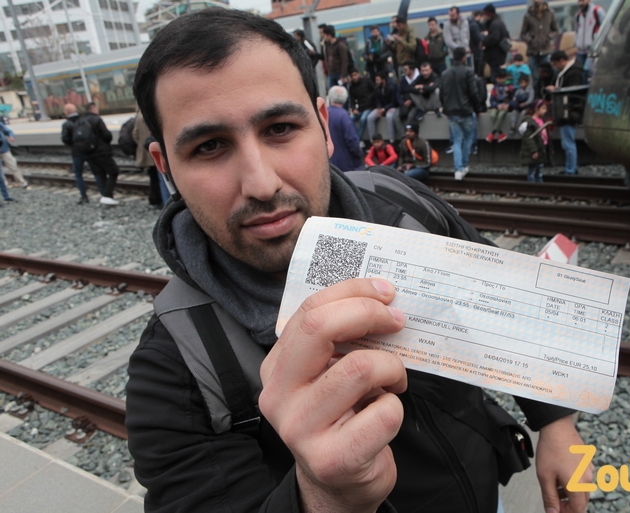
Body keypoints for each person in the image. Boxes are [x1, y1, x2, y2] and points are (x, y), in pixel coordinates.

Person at [127, 9, 592, 513]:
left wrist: (555, 420)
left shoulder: (402, 204)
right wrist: (324, 499)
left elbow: (504, 302)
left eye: (280, 128)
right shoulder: (176, 365)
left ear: (324, 126)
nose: (261, 183)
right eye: (210, 146)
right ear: (166, 167)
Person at [441, 47, 482, 180]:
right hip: (466, 110)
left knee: (457, 140)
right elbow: (473, 92)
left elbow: (442, 93)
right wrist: (478, 108)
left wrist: (445, 108)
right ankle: (463, 165)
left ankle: (458, 169)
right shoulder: (468, 71)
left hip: (451, 111)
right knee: (468, 137)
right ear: (464, 57)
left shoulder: (445, 73)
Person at [547, 50, 585, 175]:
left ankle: (570, 170)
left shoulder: (573, 73)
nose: (555, 67)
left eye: (555, 64)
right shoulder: (572, 71)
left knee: (568, 142)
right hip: (568, 111)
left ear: (562, 61)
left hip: (569, 111)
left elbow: (573, 91)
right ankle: (571, 167)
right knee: (568, 142)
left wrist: (557, 90)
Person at [60, 103, 104, 205]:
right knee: (96, 173)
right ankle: (103, 194)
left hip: (77, 152)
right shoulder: (84, 120)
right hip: (89, 150)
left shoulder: (66, 124)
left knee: (78, 174)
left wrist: (74, 144)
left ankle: (84, 197)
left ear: (67, 112)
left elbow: (65, 139)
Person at [80, 102, 121, 205]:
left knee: (101, 174)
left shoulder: (80, 121)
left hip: (88, 153)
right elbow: (106, 135)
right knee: (114, 171)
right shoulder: (96, 119)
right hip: (101, 151)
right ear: (93, 108)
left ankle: (106, 196)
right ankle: (107, 195)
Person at [133, 110, 166, 206]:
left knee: (154, 177)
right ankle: (163, 200)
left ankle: (155, 199)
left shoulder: (138, 116)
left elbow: (135, 134)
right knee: (162, 176)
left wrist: (141, 143)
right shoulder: (151, 112)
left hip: (146, 149)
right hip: (155, 146)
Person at [326, 85, 363, 171]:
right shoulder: (344, 116)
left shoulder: (323, 114)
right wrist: (359, 153)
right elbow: (352, 140)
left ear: (330, 97)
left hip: (329, 164)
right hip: (346, 165)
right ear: (345, 99)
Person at [520, 0, 559, 75]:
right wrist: (530, 40)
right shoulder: (528, 15)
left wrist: (548, 37)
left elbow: (556, 30)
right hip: (532, 52)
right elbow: (523, 34)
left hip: (546, 50)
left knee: (547, 74)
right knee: (535, 76)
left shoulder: (550, 13)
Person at [518, 99, 550, 182]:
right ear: (536, 109)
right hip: (535, 150)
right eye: (543, 108)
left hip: (541, 148)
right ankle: (532, 185)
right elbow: (529, 138)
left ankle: (539, 184)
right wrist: (534, 151)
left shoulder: (543, 120)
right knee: (533, 170)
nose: (545, 111)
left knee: (539, 169)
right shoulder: (530, 122)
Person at [574, 0, 605, 81]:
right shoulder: (578, 15)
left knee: (589, 72)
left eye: (583, 1)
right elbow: (577, 30)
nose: (580, 3)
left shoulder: (597, 11)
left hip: (592, 49)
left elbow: (605, 27)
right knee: (580, 72)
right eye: (579, 1)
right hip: (581, 50)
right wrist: (576, 42)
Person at [367, 71, 400, 144]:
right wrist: (379, 108)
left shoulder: (392, 87)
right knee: (370, 118)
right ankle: (372, 140)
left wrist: (383, 109)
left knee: (389, 116)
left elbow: (393, 103)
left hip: (392, 107)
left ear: (383, 80)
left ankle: (391, 140)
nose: (376, 82)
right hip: (381, 108)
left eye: (378, 80)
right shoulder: (377, 88)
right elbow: (377, 100)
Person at [486, 69, 514, 143]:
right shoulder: (494, 88)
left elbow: (513, 98)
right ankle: (501, 133)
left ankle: (492, 133)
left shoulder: (510, 87)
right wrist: (497, 105)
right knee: (492, 115)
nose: (501, 80)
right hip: (497, 105)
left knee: (500, 115)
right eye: (499, 78)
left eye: (502, 78)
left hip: (506, 106)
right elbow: (491, 100)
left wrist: (508, 104)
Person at [348, 69, 377, 142]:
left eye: (355, 75)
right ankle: (355, 136)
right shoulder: (352, 87)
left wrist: (370, 98)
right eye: (352, 76)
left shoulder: (367, 81)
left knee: (363, 119)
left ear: (358, 74)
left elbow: (375, 90)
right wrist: (353, 109)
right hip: (360, 108)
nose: (354, 77)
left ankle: (358, 139)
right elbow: (352, 100)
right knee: (350, 119)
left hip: (369, 106)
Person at [480, 4, 510, 72]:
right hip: (499, 54)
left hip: (496, 55)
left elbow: (494, 38)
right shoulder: (498, 22)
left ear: (488, 15)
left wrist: (483, 42)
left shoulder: (494, 24)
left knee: (495, 74)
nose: (483, 17)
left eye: (484, 15)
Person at [0, 121, 27, 188]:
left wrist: (11, 136)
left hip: (4, 149)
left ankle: (22, 182)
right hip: (4, 149)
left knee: (13, 166)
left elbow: (8, 131)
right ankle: (4, 185)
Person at [322, 25, 349, 89]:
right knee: (332, 92)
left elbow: (344, 61)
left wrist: (343, 75)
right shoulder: (327, 45)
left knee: (342, 92)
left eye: (324, 35)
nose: (324, 37)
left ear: (329, 35)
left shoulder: (340, 45)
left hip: (339, 74)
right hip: (331, 73)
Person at [396, 61, 419, 126]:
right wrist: (402, 103)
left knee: (410, 116)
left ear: (411, 70)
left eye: (405, 69)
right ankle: (403, 132)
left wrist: (411, 101)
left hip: (415, 104)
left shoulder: (419, 79)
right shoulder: (403, 80)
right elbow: (398, 93)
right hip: (405, 104)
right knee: (395, 117)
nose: (404, 71)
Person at [468, 10, 485, 76]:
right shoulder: (474, 25)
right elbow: (478, 38)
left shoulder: (469, 23)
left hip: (472, 51)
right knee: (478, 71)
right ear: (479, 16)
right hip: (476, 51)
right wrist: (483, 35)